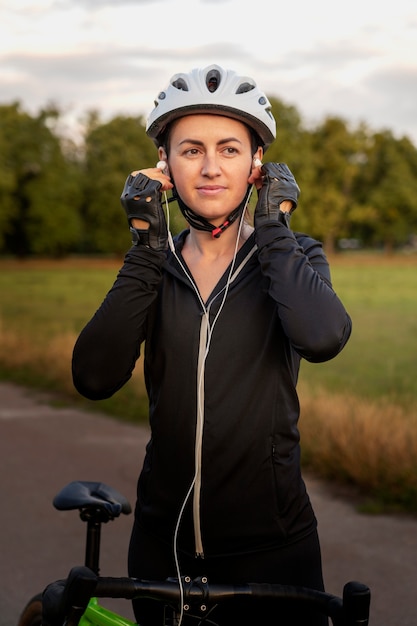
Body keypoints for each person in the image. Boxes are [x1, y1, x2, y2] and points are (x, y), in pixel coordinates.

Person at [72, 64, 352, 626]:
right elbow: (94, 377)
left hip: (274, 548)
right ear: (165, 166)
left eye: (229, 149)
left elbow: (323, 338)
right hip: (161, 547)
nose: (209, 167)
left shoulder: (294, 257)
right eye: (190, 149)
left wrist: (274, 228)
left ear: (257, 166)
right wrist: (146, 247)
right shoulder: (156, 266)